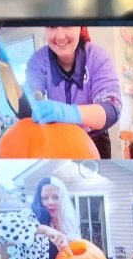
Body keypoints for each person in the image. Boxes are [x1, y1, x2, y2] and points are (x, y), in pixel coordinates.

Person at [16, 26, 122, 159]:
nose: (60, 36)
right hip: (59, 143)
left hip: (94, 144)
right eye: (51, 26)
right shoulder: (39, 61)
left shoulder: (97, 57)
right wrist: (8, 79)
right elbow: (27, 107)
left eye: (67, 25)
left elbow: (112, 109)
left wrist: (71, 113)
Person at [0, 176, 80, 259]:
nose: (50, 202)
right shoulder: (29, 217)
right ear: (39, 200)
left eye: (55, 197)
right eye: (45, 198)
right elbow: (0, 223)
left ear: (62, 199)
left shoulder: (68, 226)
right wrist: (45, 230)